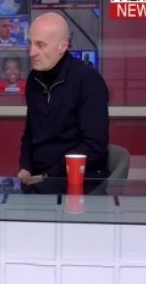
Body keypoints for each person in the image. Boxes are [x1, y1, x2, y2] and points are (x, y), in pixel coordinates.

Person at [17, 12, 109, 185]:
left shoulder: (89, 81)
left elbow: (94, 146)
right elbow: (30, 132)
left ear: (62, 46)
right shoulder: (33, 79)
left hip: (77, 180)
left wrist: (47, 176)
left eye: (40, 45)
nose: (31, 52)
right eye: (30, 44)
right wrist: (25, 167)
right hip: (37, 178)